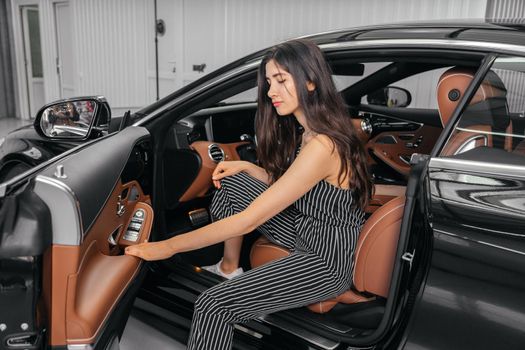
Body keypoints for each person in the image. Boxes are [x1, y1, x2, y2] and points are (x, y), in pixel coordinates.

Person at [125, 39, 372, 350]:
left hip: (323, 260)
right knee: (232, 182)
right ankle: (229, 269)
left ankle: (227, 284)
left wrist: (167, 247)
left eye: (281, 80)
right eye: (269, 82)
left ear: (310, 81)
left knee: (213, 306)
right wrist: (246, 166)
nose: (271, 92)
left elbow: (247, 221)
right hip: (307, 229)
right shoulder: (314, 131)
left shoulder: (323, 145)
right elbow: (300, 183)